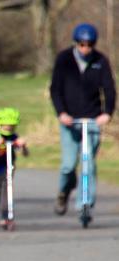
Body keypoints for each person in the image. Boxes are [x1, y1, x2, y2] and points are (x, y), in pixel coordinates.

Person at [50, 23, 116, 222]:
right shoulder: (64, 60)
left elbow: (110, 89)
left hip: (92, 120)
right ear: (75, 43)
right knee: (68, 165)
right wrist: (61, 113)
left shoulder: (100, 61)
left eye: (89, 45)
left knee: (88, 164)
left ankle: (85, 204)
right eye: (82, 44)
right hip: (70, 121)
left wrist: (107, 113)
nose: (85, 48)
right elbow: (55, 89)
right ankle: (64, 192)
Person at [0, 107, 28, 232]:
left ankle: (6, 217)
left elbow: (25, 154)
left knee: (7, 193)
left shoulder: (14, 136)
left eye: (12, 127)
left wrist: (23, 146)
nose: (9, 129)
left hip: (8, 169)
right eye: (7, 126)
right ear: (0, 125)